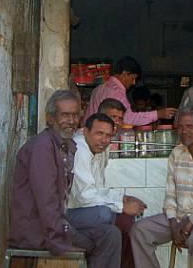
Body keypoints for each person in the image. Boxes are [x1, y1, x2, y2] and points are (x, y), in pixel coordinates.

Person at [8, 90, 121, 267]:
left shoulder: (64, 145)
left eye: (75, 115)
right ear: (50, 118)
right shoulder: (42, 148)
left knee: (111, 235)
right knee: (96, 241)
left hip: (56, 223)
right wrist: (62, 237)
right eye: (65, 115)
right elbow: (47, 204)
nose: (71, 121)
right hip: (38, 230)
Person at [129, 108, 193, 268]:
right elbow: (170, 194)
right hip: (180, 215)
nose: (184, 131)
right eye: (180, 127)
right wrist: (173, 222)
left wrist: (191, 221)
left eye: (189, 126)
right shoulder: (176, 153)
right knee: (140, 230)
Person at [68, 113, 146, 268]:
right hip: (68, 213)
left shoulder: (98, 149)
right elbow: (85, 196)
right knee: (111, 215)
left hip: (85, 212)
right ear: (85, 132)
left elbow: (99, 188)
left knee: (115, 232)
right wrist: (121, 205)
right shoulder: (79, 149)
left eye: (108, 135)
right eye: (99, 134)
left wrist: (122, 198)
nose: (103, 140)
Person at [85, 56, 177, 127]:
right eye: (133, 78)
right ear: (125, 74)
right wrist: (158, 114)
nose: (133, 83)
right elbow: (128, 118)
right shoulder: (117, 92)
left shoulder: (98, 89)